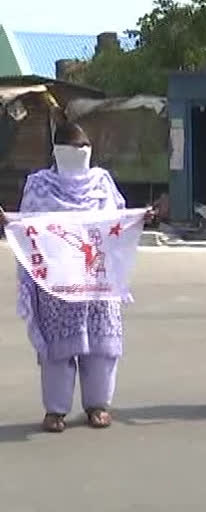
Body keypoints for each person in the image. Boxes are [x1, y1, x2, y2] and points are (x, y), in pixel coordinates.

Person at [5, 121, 148, 432]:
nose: (80, 154)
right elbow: (30, 225)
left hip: (97, 280)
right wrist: (10, 222)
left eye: (84, 149)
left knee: (101, 347)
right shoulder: (40, 186)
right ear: (57, 152)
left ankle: (98, 405)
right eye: (73, 149)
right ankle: (55, 409)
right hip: (58, 282)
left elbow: (117, 221)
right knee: (58, 347)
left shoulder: (102, 183)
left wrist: (140, 218)